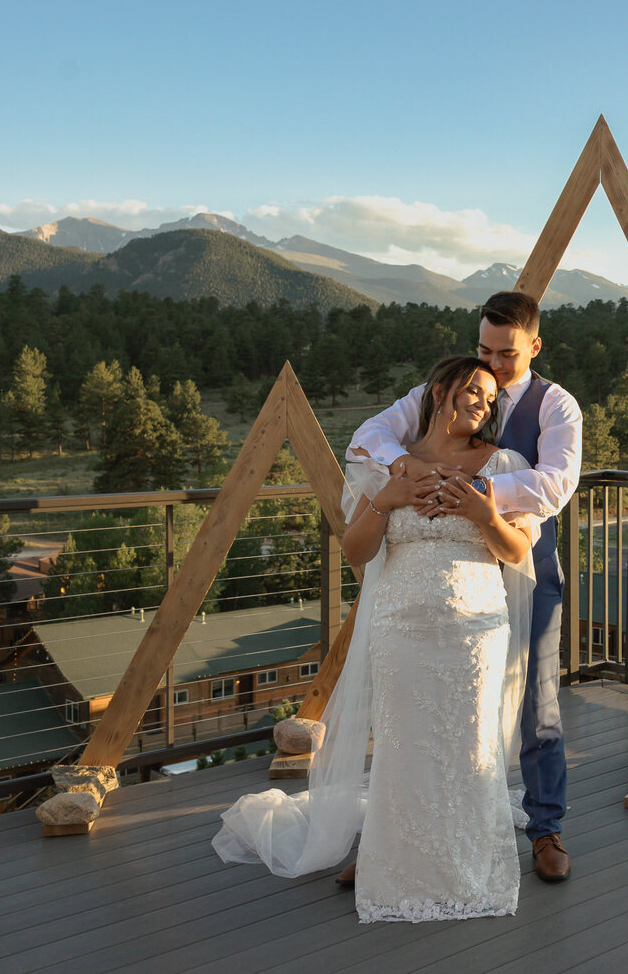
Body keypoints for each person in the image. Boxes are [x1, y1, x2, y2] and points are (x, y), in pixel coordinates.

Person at [213, 356, 538, 922]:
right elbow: (357, 552)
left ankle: (467, 867)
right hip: (401, 629)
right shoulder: (390, 465)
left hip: (475, 634)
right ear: (439, 392)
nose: (482, 404)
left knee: (468, 746)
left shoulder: (504, 465)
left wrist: (487, 514)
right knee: (402, 745)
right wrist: (385, 504)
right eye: (472, 390)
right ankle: (392, 863)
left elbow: (517, 553)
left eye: (490, 398)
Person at [346, 290, 582, 883]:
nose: (494, 365)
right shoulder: (457, 386)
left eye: (506, 353)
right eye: (484, 349)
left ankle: (545, 827)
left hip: (520, 554)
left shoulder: (557, 406)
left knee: (536, 700)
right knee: (410, 714)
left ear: (534, 346)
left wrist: (472, 496)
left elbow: (554, 485)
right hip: (421, 583)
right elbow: (371, 437)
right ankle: (388, 840)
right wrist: (409, 471)